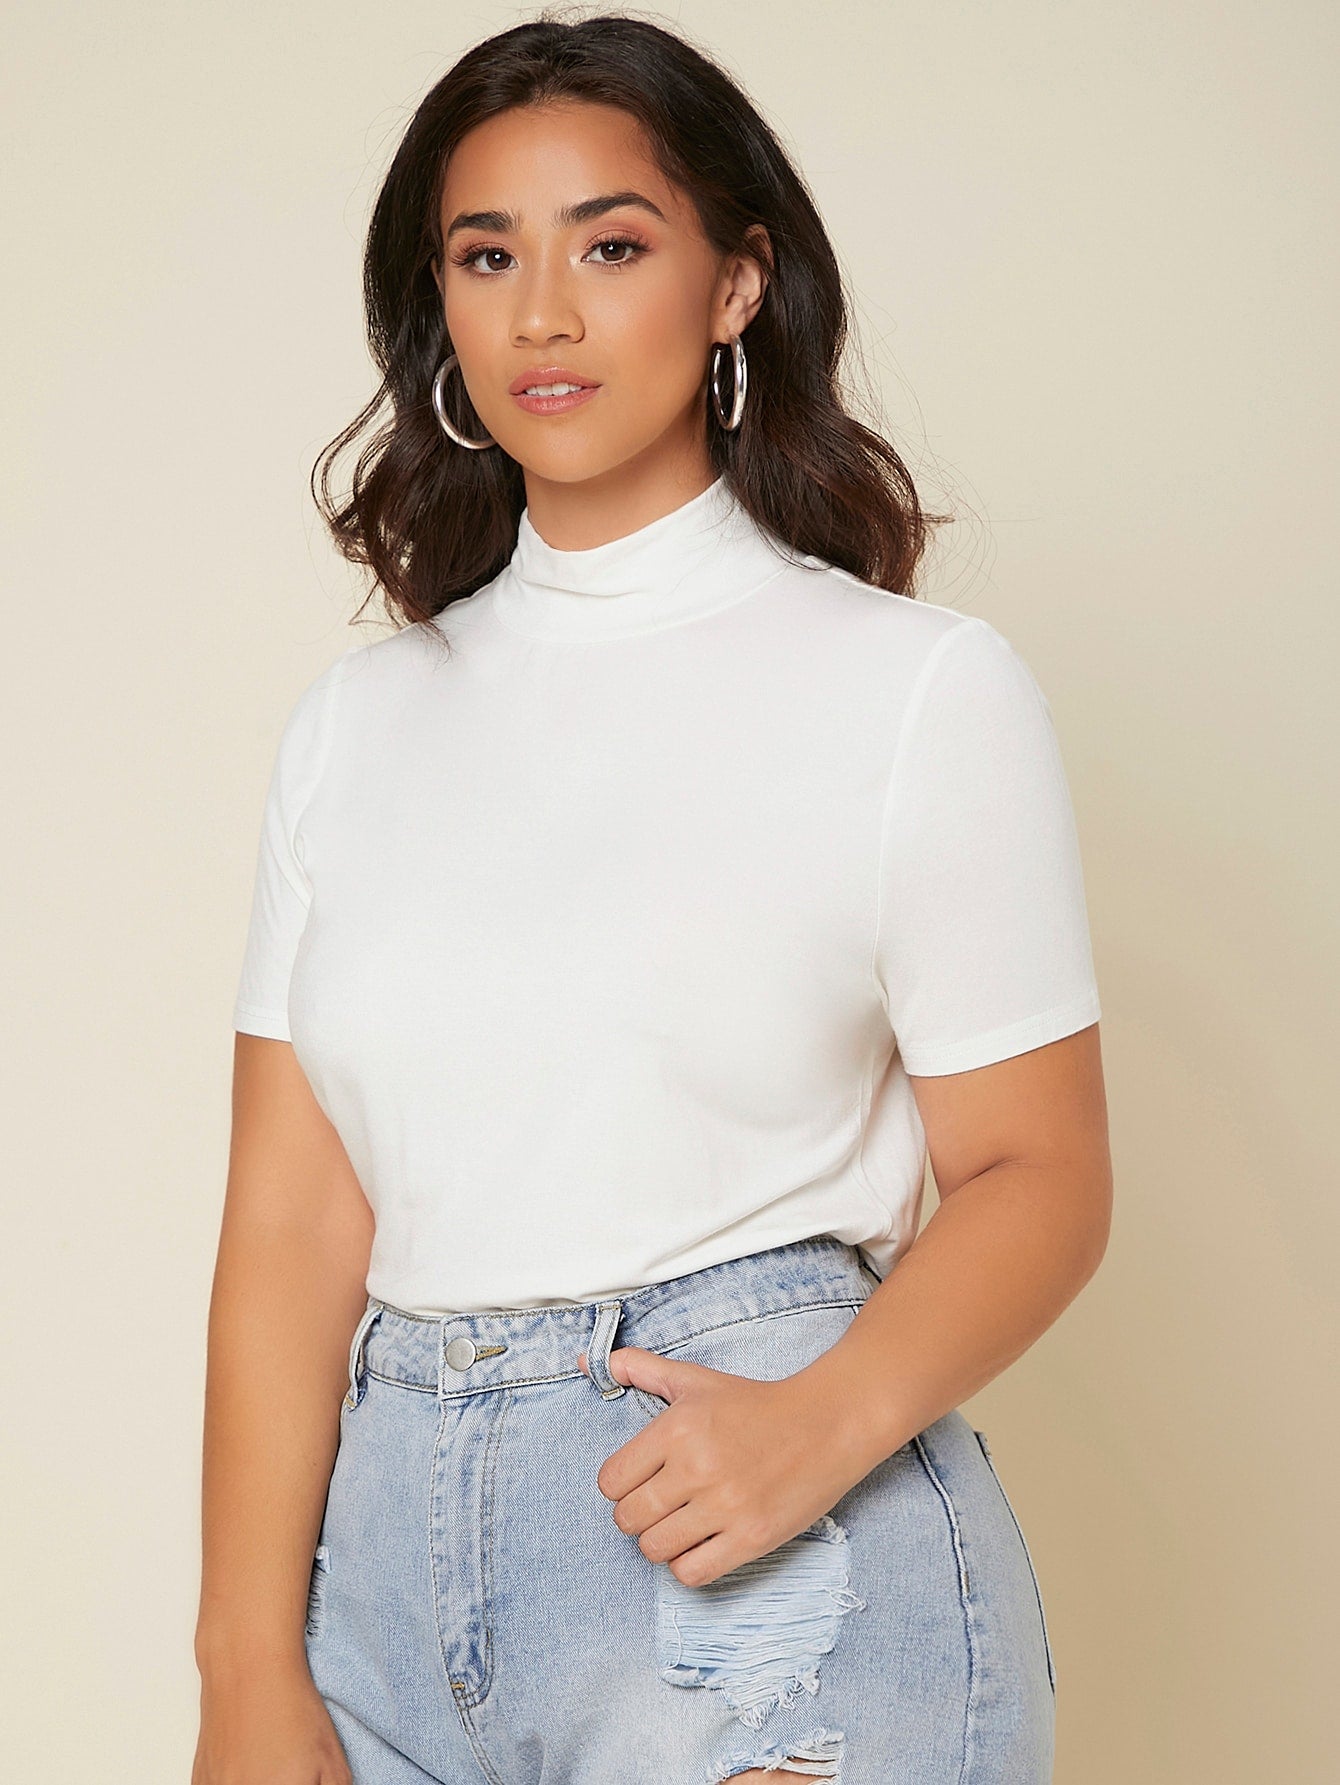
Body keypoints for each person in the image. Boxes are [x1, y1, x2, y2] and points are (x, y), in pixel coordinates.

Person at [193, 14, 1112, 1785]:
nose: (543, 312)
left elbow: (1042, 1170)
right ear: (439, 310)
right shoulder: (356, 728)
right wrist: (242, 1657)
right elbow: (291, 1228)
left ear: (736, 284)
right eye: (488, 257)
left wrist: (821, 1423)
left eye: (610, 247)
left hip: (770, 1578)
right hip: (379, 1592)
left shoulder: (915, 688)